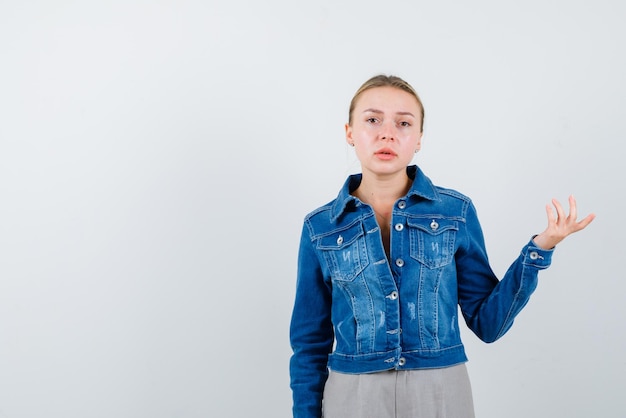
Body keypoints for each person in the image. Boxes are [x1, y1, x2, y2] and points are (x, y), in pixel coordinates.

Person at [289, 74, 595, 418]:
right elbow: (308, 344)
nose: (387, 133)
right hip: (352, 394)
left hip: (440, 391)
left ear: (418, 138)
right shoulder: (320, 227)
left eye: (403, 123)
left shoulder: (455, 212)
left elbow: (488, 324)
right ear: (349, 133)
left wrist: (540, 250)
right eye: (372, 120)